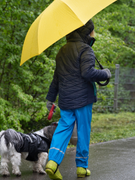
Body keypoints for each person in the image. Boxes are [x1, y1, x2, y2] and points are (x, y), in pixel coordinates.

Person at [45, 20, 111, 180]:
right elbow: (87, 73)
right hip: (83, 99)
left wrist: (50, 98)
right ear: (86, 32)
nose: (93, 34)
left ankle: (52, 163)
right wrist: (106, 73)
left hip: (66, 99)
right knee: (83, 132)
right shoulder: (85, 49)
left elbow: (56, 78)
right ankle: (82, 167)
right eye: (92, 31)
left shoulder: (62, 51)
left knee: (63, 128)